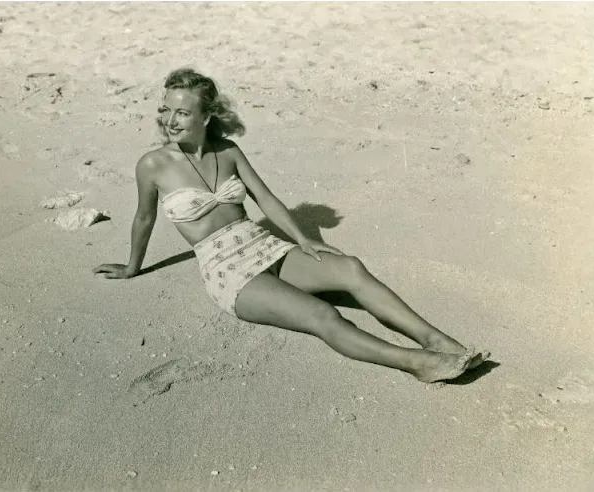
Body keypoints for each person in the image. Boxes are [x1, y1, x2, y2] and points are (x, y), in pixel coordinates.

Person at [94, 67, 489, 383]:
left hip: (262, 244)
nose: (169, 120)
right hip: (226, 271)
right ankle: (418, 363)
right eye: (165, 110)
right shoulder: (153, 165)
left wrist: (303, 239)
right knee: (323, 317)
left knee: (349, 266)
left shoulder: (228, 151)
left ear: (206, 116)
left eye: (181, 112)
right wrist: (132, 267)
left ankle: (436, 339)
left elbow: (265, 199)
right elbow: (144, 218)